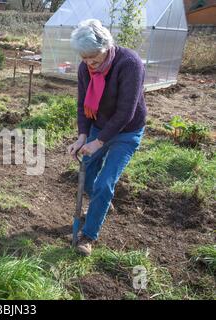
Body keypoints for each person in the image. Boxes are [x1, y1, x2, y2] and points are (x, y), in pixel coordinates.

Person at [67, 19, 147, 256]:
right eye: (84, 58)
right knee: (88, 170)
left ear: (107, 46)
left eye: (95, 58)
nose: (90, 63)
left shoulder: (129, 64)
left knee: (105, 182)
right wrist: (83, 137)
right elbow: (83, 105)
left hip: (127, 130)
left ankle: (88, 235)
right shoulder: (85, 68)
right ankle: (101, 202)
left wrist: (99, 141)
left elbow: (126, 112)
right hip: (98, 126)